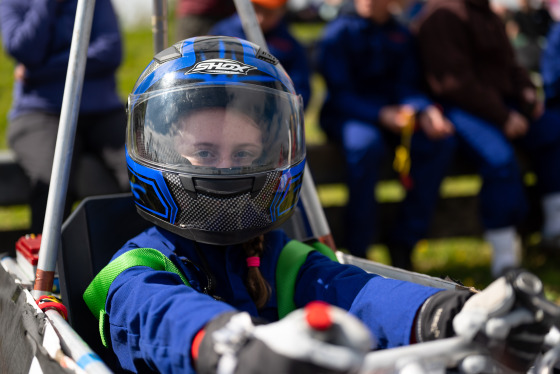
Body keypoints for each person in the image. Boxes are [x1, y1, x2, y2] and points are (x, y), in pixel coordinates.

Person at [82, 36, 552, 374]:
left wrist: (444, 314)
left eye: (244, 155)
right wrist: (234, 350)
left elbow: (359, 294)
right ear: (157, 152)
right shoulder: (133, 271)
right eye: (204, 153)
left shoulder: (279, 259)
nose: (225, 170)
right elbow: (162, 316)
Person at [412, 0, 560, 277]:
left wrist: (527, 91)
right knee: (500, 160)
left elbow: (510, 64)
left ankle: (555, 228)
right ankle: (505, 260)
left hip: (501, 103)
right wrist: (502, 116)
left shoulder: (484, 11)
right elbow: (454, 83)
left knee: (552, 132)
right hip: (462, 107)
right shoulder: (441, 16)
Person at [315, 0, 455, 267]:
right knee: (365, 146)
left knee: (440, 143)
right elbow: (339, 93)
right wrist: (381, 114)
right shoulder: (338, 33)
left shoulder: (401, 34)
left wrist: (423, 109)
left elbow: (409, 83)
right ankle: (358, 250)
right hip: (350, 114)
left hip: (395, 114)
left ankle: (405, 239)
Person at [0, 0, 130, 234]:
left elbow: (110, 51)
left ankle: (143, 255)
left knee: (140, 170)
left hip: (102, 111)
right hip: (39, 113)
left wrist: (38, 71)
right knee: (52, 184)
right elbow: (23, 48)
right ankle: (49, 264)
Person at [210, 0, 312, 108]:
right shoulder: (223, 32)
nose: (260, 19)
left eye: (269, 13)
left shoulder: (289, 45)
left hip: (268, 110)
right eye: (255, 9)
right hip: (225, 104)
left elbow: (300, 87)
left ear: (282, 11)